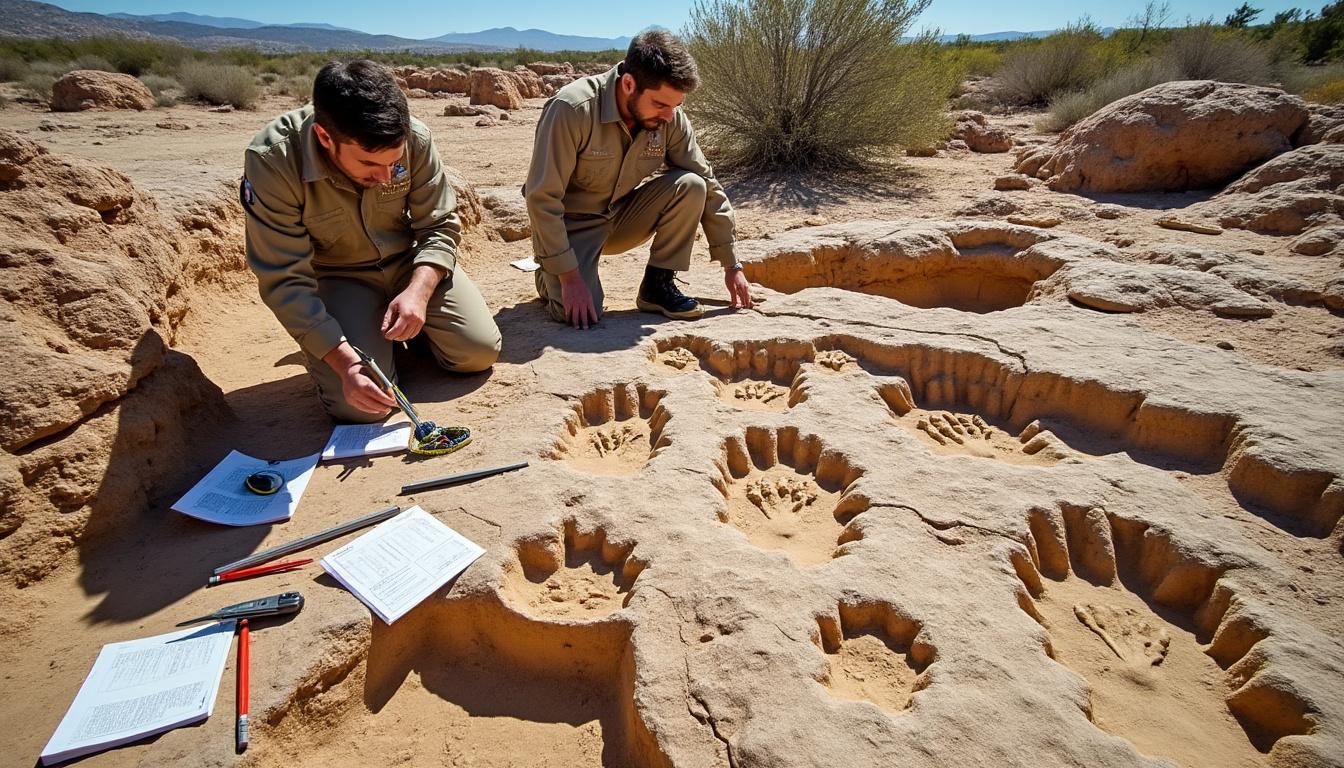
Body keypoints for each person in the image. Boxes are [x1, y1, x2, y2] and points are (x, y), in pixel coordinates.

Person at [242, 59, 501, 422]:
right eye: (369, 165)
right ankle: (349, 342)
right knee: (360, 407)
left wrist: (419, 292)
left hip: (409, 265)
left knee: (477, 352)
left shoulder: (414, 137)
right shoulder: (274, 161)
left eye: (394, 164)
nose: (385, 177)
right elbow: (284, 279)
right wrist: (344, 362)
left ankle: (405, 334)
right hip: (338, 278)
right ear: (325, 138)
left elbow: (439, 225)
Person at [524, 29, 752, 329]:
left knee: (692, 185)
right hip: (572, 228)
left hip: (622, 218)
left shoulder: (669, 117)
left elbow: (706, 181)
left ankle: (657, 286)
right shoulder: (572, 109)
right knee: (579, 313)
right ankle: (547, 273)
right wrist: (567, 276)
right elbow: (542, 198)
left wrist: (731, 264)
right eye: (660, 104)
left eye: (676, 106)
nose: (669, 116)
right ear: (629, 84)